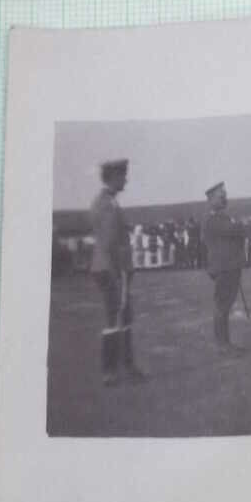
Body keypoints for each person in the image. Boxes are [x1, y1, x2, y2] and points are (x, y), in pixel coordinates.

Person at [89, 158, 145, 384]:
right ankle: (115, 370)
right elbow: (111, 242)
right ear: (113, 178)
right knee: (117, 318)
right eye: (123, 176)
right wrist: (122, 271)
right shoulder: (108, 204)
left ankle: (118, 369)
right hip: (112, 267)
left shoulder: (105, 201)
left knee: (119, 316)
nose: (126, 179)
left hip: (108, 266)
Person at [203, 181, 247, 352]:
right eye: (221, 197)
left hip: (230, 265)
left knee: (225, 305)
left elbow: (238, 231)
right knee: (222, 305)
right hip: (224, 266)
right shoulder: (212, 218)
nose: (224, 199)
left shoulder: (222, 217)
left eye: (225, 196)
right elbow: (235, 231)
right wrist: (238, 226)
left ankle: (225, 342)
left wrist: (238, 228)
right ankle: (222, 344)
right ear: (211, 199)